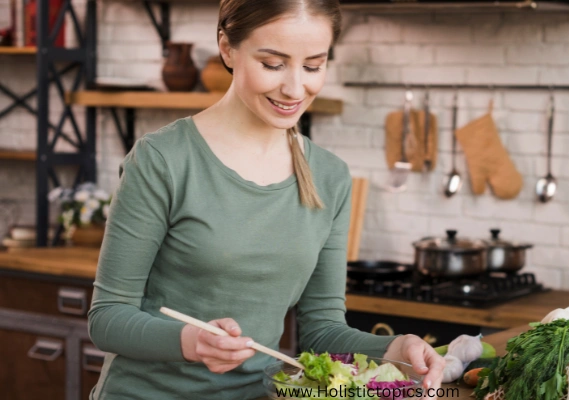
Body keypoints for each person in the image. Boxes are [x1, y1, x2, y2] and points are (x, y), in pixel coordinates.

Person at [87, 0, 445, 398]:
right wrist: (190, 341)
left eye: (313, 66)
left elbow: (321, 331)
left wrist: (395, 349)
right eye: (273, 64)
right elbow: (107, 318)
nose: (295, 88)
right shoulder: (163, 160)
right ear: (227, 47)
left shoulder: (329, 177)